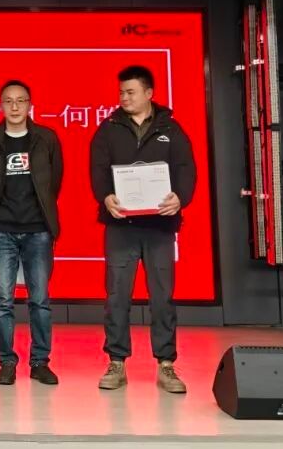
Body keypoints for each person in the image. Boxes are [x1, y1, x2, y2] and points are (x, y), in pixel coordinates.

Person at [90, 65, 196, 394]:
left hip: (159, 226)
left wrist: (181, 197)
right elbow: (97, 170)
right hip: (120, 226)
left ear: (149, 93)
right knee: (117, 295)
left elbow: (186, 169)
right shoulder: (108, 129)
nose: (124, 97)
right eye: (121, 92)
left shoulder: (171, 129)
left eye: (130, 92)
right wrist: (105, 196)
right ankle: (116, 362)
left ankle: (166, 364)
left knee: (162, 296)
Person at [0, 79, 63, 386]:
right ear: (0, 105)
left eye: (20, 100)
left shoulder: (46, 139)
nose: (14, 106)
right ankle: (7, 362)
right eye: (8, 101)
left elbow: (54, 182)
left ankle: (40, 362)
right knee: (3, 301)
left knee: (40, 300)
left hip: (38, 230)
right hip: (1, 230)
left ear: (30, 105)